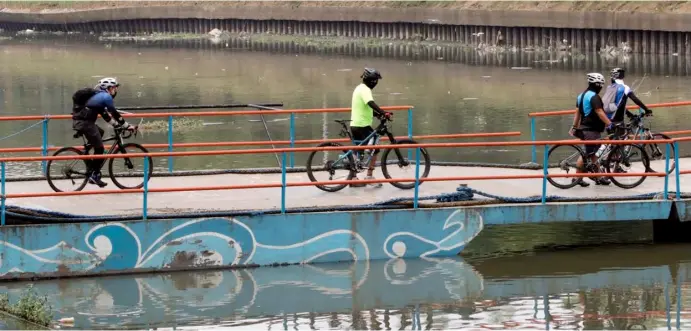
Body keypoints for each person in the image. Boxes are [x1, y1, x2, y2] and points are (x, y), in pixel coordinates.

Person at [71, 77, 134, 188]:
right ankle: (94, 176)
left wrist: (116, 125)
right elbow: (114, 113)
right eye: (114, 88)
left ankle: (87, 153)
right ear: (108, 88)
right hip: (85, 124)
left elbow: (106, 116)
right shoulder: (105, 97)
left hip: (83, 123)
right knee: (100, 148)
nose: (115, 91)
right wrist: (126, 126)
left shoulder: (98, 98)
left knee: (100, 132)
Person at [349, 68, 392, 188]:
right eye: (375, 80)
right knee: (375, 148)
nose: (376, 83)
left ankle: (353, 178)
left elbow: (365, 108)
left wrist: (378, 114)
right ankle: (369, 176)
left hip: (355, 124)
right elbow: (370, 103)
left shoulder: (359, 88)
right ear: (372, 81)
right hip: (362, 125)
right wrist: (383, 112)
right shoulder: (365, 90)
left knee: (359, 150)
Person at [569, 72, 614, 187]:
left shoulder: (581, 96)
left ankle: (598, 177)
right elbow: (599, 112)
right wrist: (610, 124)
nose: (601, 88)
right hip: (591, 130)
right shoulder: (594, 97)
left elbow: (577, 113)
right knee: (586, 155)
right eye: (601, 85)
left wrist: (574, 126)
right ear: (597, 84)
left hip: (586, 128)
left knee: (593, 154)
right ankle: (576, 178)